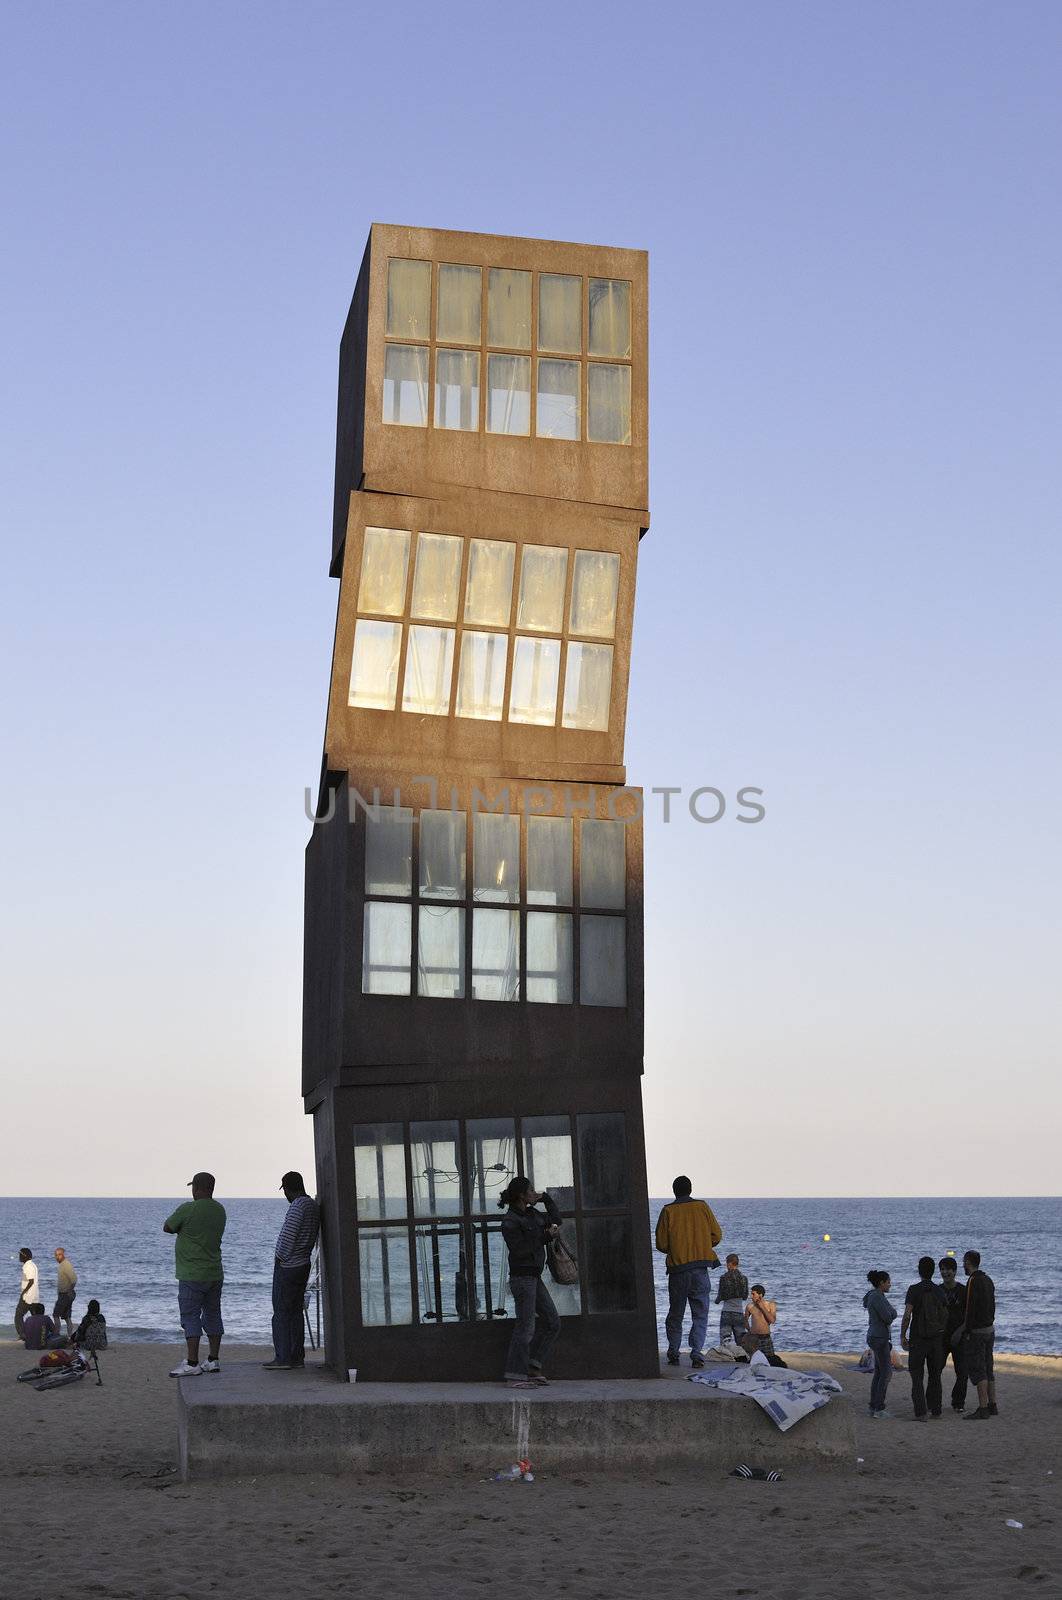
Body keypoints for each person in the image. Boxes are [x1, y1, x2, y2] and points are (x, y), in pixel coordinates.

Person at [499, 1176, 562, 1389]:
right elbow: (520, 1250)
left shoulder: (532, 1214)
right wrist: (545, 1237)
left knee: (553, 1321)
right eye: (531, 1190)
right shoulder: (510, 1221)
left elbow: (556, 1220)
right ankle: (515, 1376)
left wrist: (546, 1199)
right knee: (525, 1327)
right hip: (521, 1279)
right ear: (521, 1195)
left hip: (533, 1278)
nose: (534, 1192)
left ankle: (533, 1367)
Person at [163, 1171, 227, 1377]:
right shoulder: (220, 1210)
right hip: (214, 1272)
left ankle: (192, 1363)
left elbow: (168, 1227)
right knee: (213, 1314)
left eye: (193, 1187)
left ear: (197, 1188)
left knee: (190, 1316)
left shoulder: (187, 1209)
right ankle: (213, 1359)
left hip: (191, 1274)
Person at [655, 1176, 722, 1368]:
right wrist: (702, 1244)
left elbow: (661, 1244)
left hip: (678, 1270)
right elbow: (717, 1235)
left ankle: (673, 1352)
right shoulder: (702, 1207)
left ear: (674, 1191)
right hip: (700, 1269)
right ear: (691, 1189)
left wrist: (677, 1248)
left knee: (675, 1313)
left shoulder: (668, 1210)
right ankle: (696, 1354)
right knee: (700, 1314)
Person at [263, 1171, 321, 1371]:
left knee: (281, 1312)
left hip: (289, 1266)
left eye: (285, 1190)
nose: (285, 1195)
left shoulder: (297, 1206)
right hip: (303, 1263)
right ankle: (297, 1357)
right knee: (296, 1312)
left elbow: (288, 1238)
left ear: (288, 1188)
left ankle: (283, 1357)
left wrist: (279, 1257)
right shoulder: (312, 1205)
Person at [900, 1256, 949, 1420]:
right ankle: (936, 1411)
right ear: (933, 1271)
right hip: (936, 1339)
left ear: (919, 1271)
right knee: (935, 1376)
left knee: (917, 1377)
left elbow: (907, 1315)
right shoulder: (939, 1290)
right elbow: (945, 1314)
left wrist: (902, 1335)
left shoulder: (914, 1290)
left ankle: (921, 1413)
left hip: (918, 1339)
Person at [958, 1249, 998, 1421]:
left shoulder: (973, 1281)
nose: (963, 1266)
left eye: (964, 1262)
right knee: (989, 1368)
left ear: (968, 1262)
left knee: (978, 1369)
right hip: (990, 1329)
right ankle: (992, 1404)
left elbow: (970, 1309)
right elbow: (993, 1304)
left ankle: (982, 1408)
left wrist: (966, 1331)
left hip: (978, 1332)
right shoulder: (988, 1279)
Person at [863, 1270, 897, 1417]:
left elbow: (891, 1313)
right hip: (879, 1337)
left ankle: (873, 1405)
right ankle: (879, 1408)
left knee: (879, 1372)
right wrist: (892, 1313)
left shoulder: (876, 1296)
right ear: (881, 1283)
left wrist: (891, 1312)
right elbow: (889, 1316)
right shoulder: (877, 1297)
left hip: (876, 1336)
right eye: (888, 1281)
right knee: (886, 1373)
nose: (890, 1284)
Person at [938, 1256, 968, 1411]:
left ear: (955, 1271)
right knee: (936, 1370)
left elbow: (969, 1315)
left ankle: (958, 1403)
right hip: (941, 1338)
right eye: (942, 1269)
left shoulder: (963, 1291)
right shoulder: (937, 1291)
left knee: (962, 1373)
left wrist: (960, 1331)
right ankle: (934, 1403)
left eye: (948, 1269)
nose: (945, 1272)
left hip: (960, 1337)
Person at [743, 1284, 788, 1367]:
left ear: (760, 1295)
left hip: (766, 1337)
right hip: (754, 1339)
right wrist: (749, 1330)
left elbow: (772, 1320)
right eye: (751, 1294)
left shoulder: (770, 1305)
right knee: (754, 1361)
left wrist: (762, 1307)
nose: (751, 1296)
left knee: (770, 1360)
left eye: (753, 1294)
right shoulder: (750, 1306)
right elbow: (745, 1320)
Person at [715, 1253, 749, 1347]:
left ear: (729, 1264)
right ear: (737, 1263)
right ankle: (742, 1358)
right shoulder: (744, 1278)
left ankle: (727, 1357)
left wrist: (717, 1301)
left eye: (726, 1263)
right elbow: (745, 1296)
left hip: (727, 1311)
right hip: (738, 1312)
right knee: (741, 1340)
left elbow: (720, 1296)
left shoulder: (724, 1278)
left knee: (725, 1340)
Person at [53, 1247, 78, 1338]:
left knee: (56, 1314)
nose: (57, 1257)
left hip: (65, 1294)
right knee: (67, 1317)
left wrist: (70, 1291)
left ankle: (56, 1335)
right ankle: (70, 1336)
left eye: (59, 1255)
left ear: (63, 1255)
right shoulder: (62, 1265)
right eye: (56, 1255)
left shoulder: (66, 1264)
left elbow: (74, 1279)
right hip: (64, 1294)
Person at [15, 1249, 40, 1337]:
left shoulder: (28, 1266)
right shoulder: (32, 1265)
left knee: (18, 1316)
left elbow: (31, 1281)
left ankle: (22, 1335)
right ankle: (38, 1335)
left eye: (20, 1255)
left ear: (24, 1256)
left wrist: (24, 1292)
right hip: (34, 1296)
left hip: (28, 1297)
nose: (19, 1257)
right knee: (36, 1318)